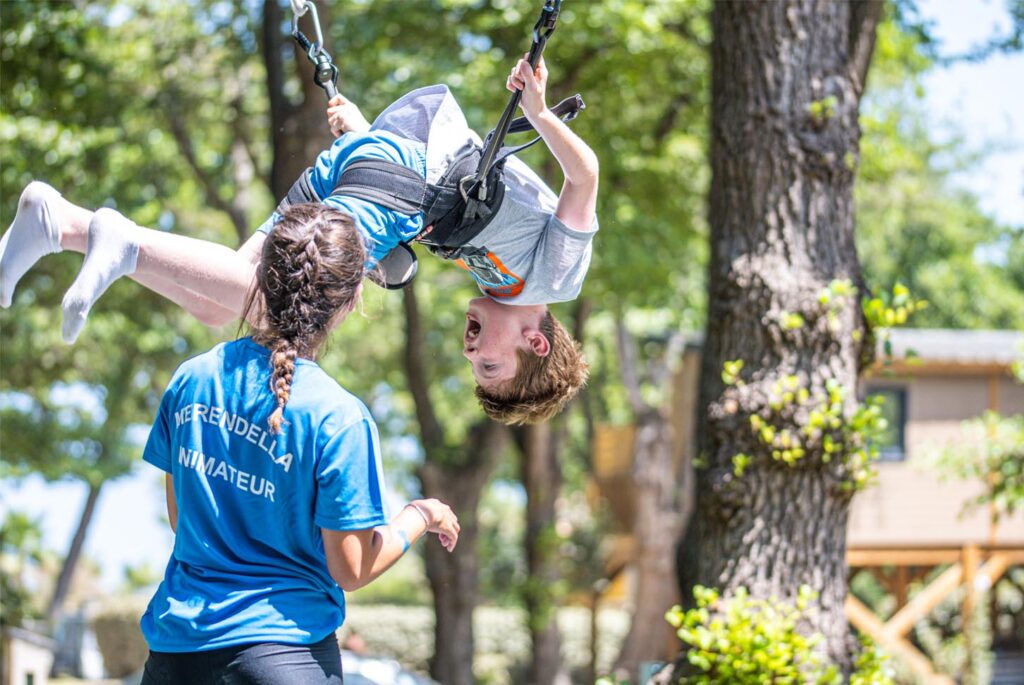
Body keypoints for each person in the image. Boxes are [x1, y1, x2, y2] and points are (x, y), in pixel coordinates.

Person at [0, 56, 598, 424]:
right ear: (535, 342)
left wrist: (364, 137)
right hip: (404, 175)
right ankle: (119, 238)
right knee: (273, 306)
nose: (470, 354)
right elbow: (584, 177)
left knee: (220, 306)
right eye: (488, 363)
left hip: (377, 166)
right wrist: (539, 112)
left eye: (474, 367)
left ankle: (59, 222)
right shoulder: (559, 277)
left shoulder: (502, 280)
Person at [137, 203, 460, 684]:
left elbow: (182, 519)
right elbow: (351, 568)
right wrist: (420, 516)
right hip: (286, 656)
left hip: (175, 656)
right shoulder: (339, 417)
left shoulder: (192, 379)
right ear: (351, 299)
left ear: (260, 279)